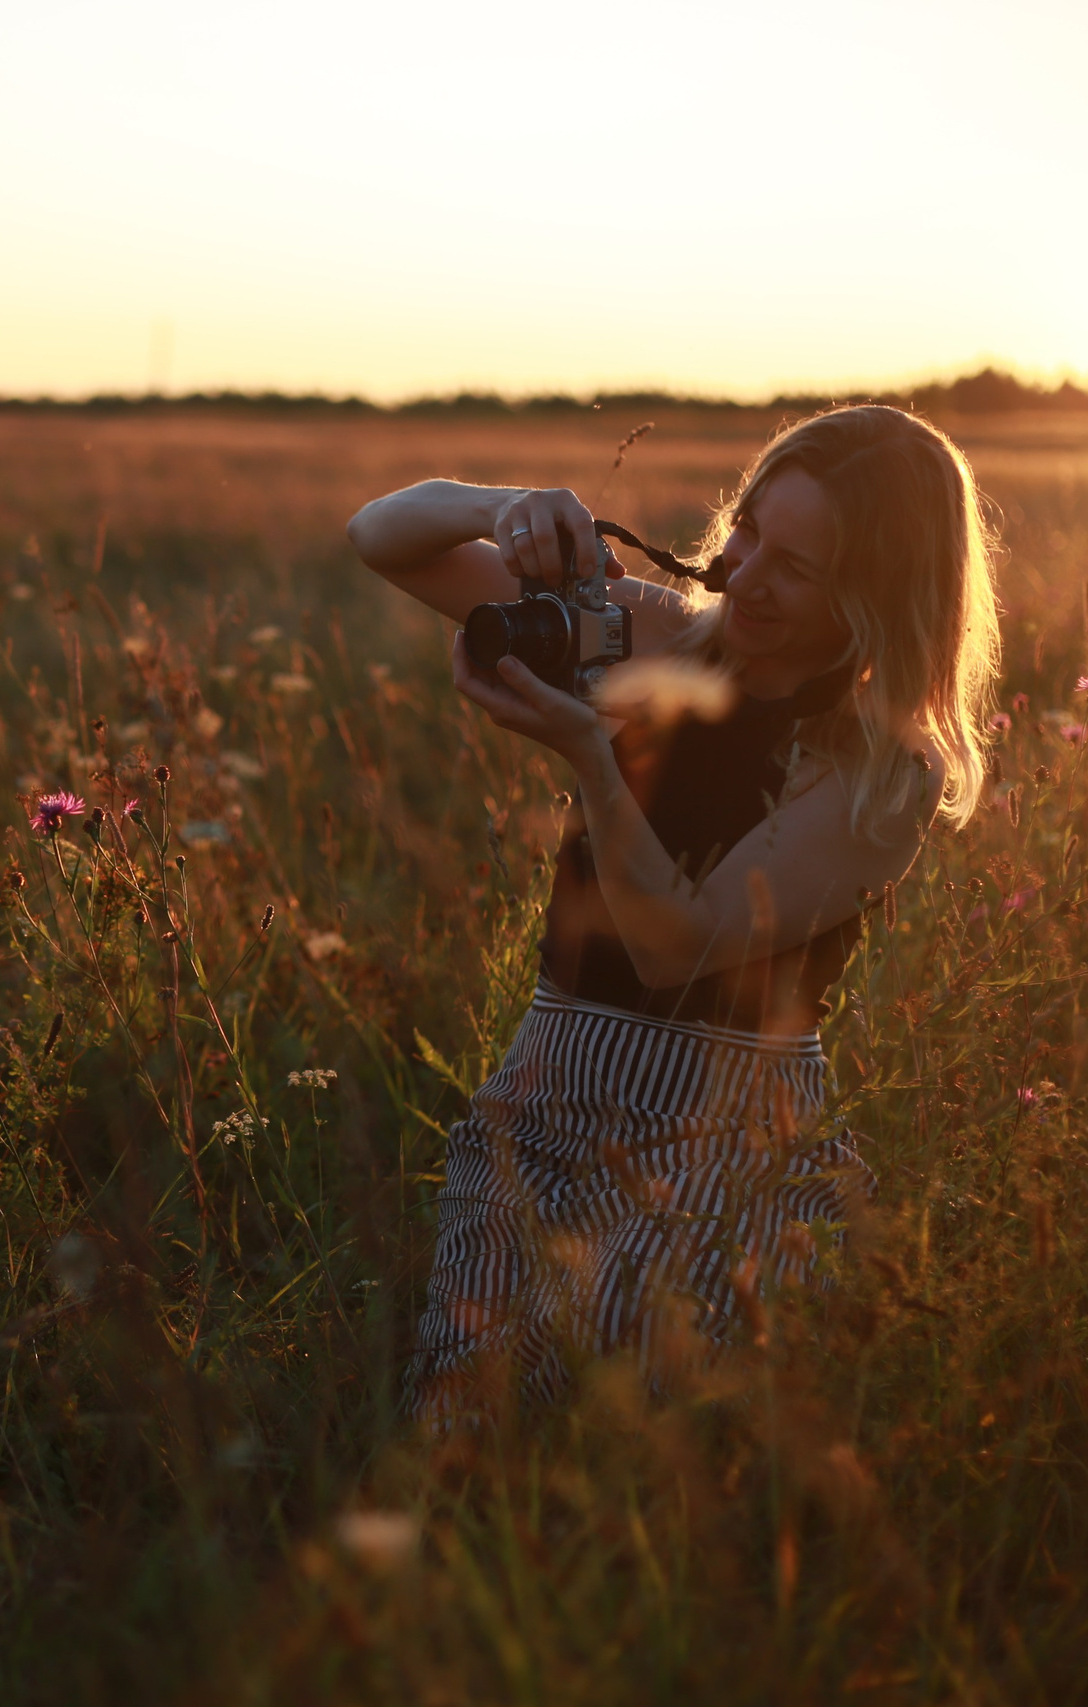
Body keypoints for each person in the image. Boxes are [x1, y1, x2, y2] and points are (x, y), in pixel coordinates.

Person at [347, 405, 999, 1416]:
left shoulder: (882, 773)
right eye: (747, 530)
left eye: (798, 567)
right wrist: (505, 505)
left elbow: (673, 951)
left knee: (610, 1402)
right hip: (539, 1100)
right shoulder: (647, 630)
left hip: (716, 1140)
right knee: (459, 1417)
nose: (741, 575)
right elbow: (378, 538)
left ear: (878, 597)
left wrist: (591, 759)